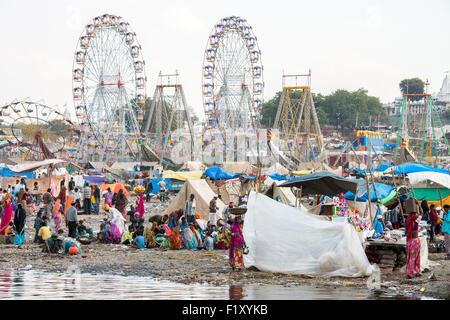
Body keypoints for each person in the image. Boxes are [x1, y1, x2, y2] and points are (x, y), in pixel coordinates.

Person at [405, 209, 421, 279]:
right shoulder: (413, 223)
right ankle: (410, 272)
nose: (417, 215)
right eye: (415, 214)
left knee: (413, 257)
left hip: (412, 241)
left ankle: (416, 271)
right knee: (413, 258)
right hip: (414, 242)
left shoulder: (410, 221)